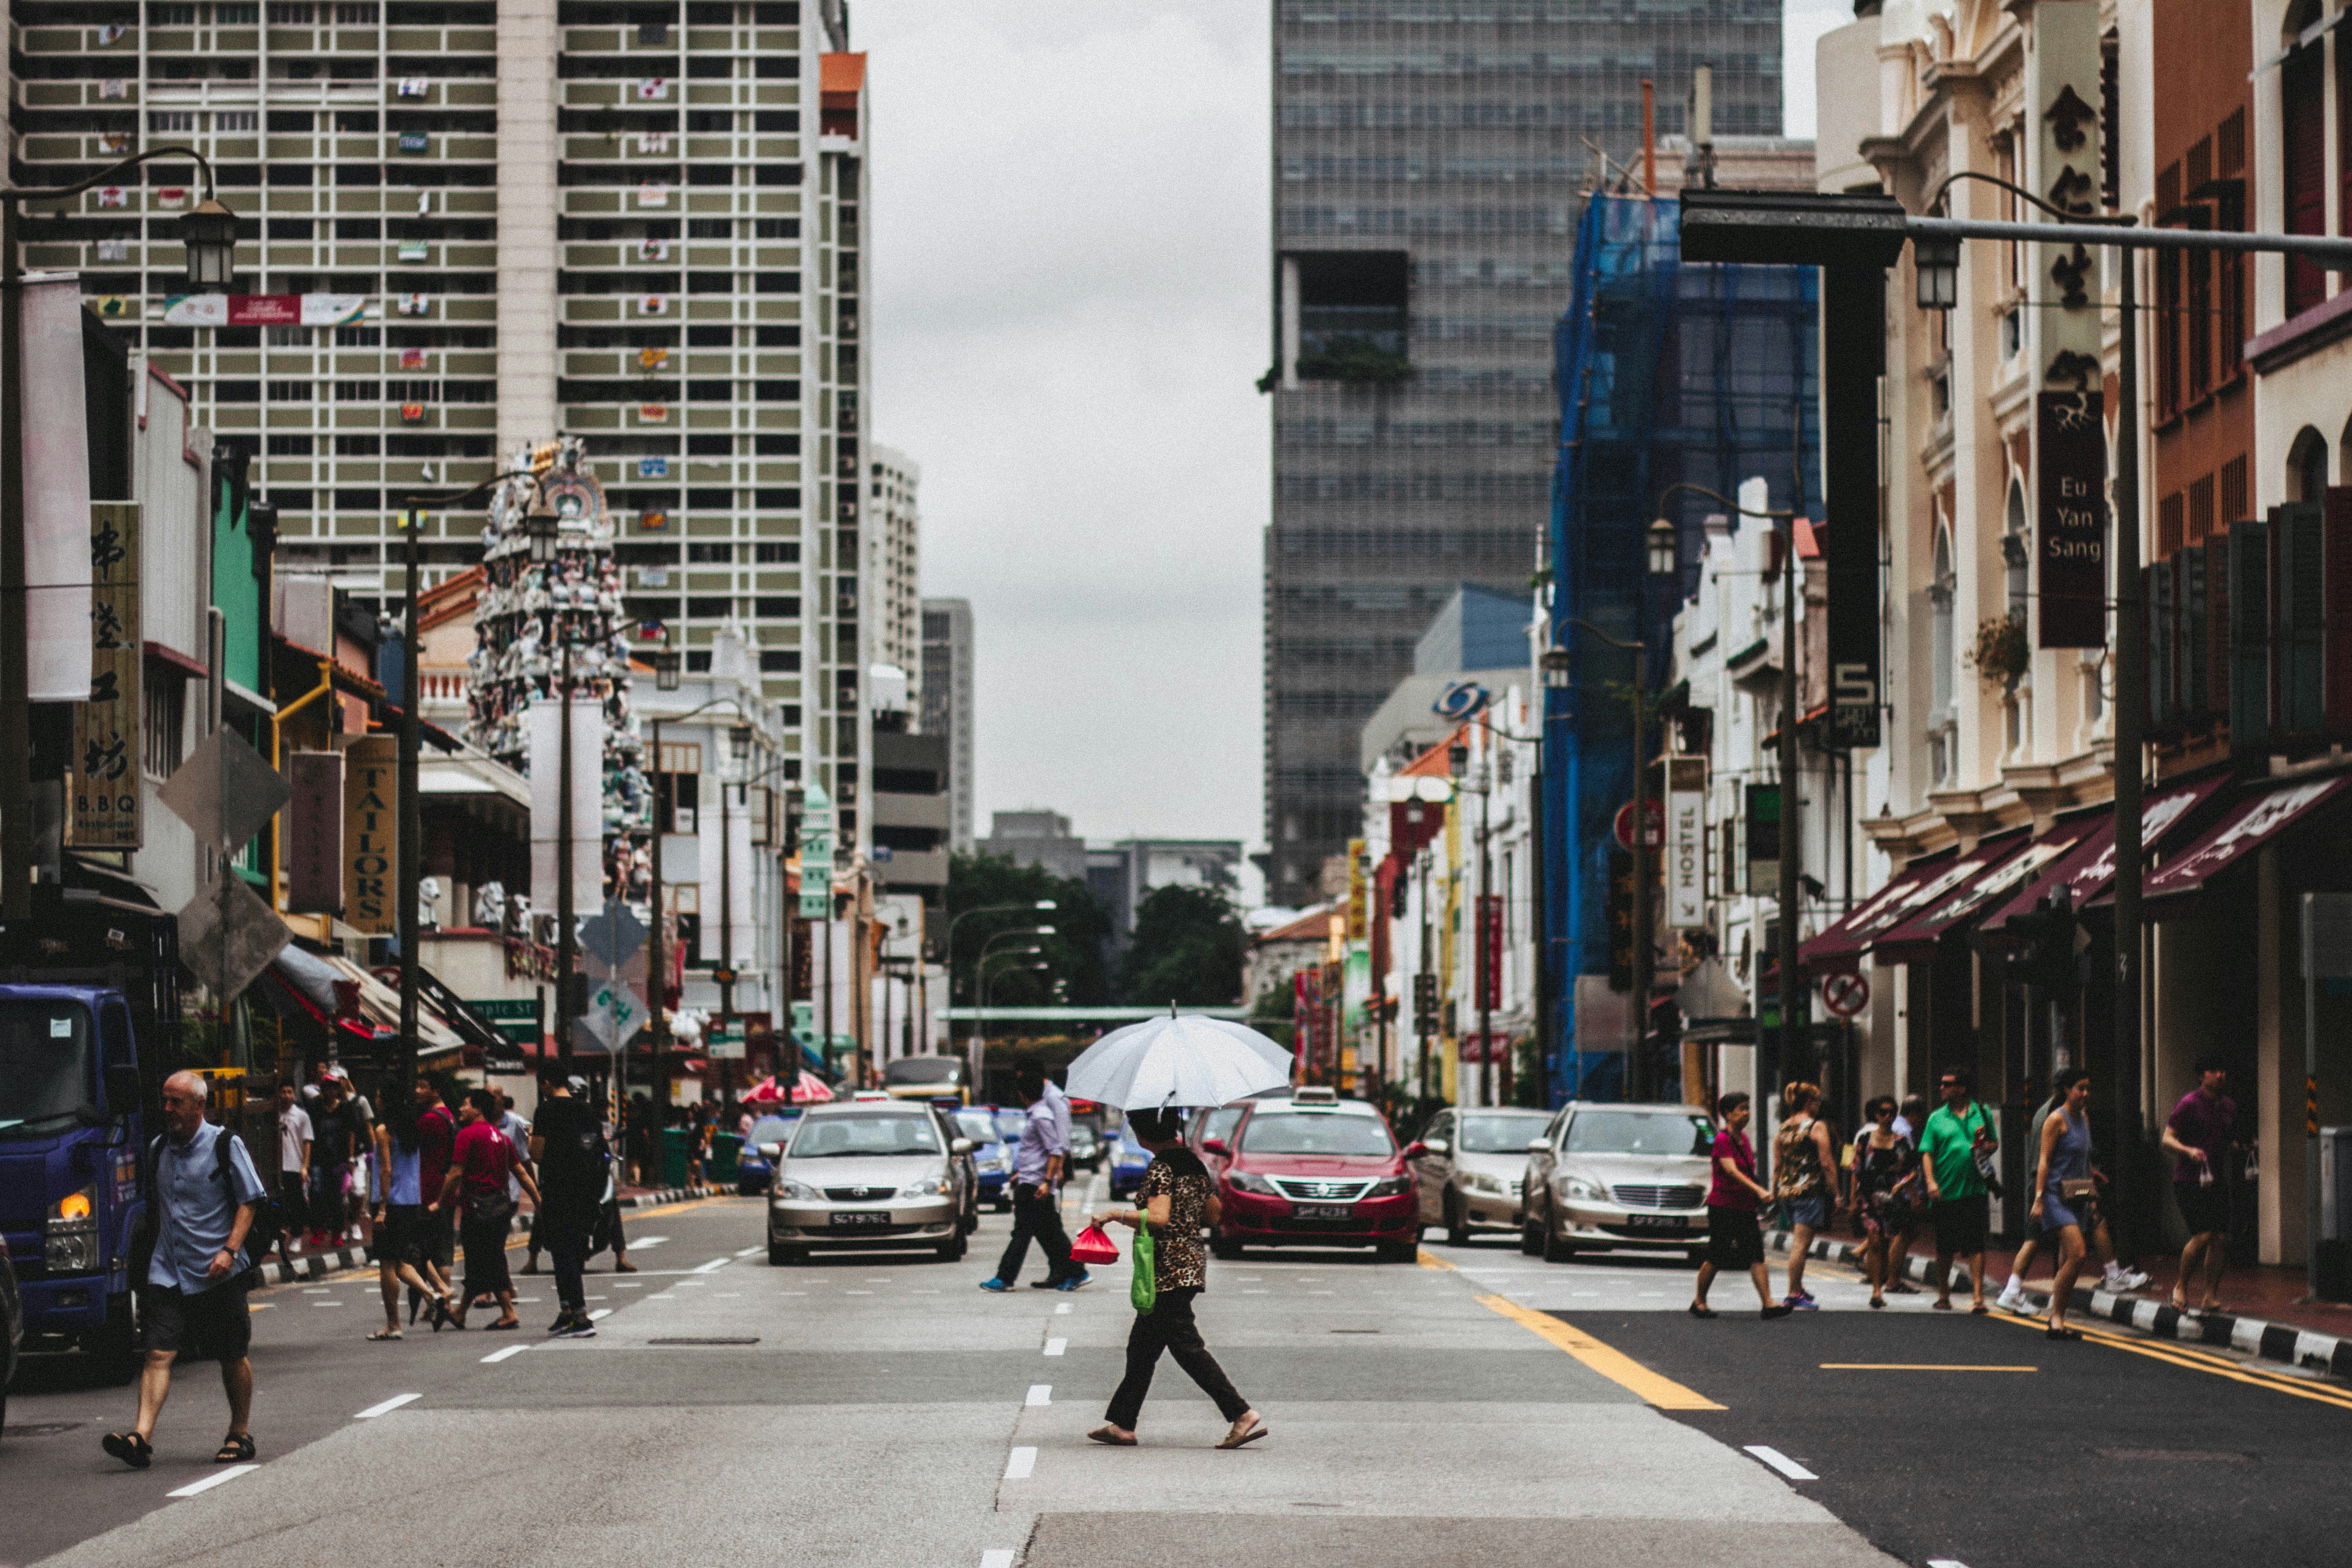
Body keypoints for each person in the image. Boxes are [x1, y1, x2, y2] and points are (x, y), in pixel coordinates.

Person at [103, 1072, 266, 1470]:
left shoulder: (226, 1144)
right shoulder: (160, 1148)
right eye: (165, 1100)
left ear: (199, 1106)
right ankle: (141, 1437)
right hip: (169, 1269)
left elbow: (250, 1200)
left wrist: (230, 1250)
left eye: (176, 1102)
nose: (168, 1109)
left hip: (217, 1271)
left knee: (231, 1354)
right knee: (158, 1352)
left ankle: (240, 1432)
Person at [1087, 1108, 1265, 1448]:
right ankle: (1122, 1423)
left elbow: (1157, 1217)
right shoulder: (1193, 1163)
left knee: (1186, 1347)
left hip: (1167, 1269)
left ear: (1143, 1134)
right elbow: (1213, 1215)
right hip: (1191, 1263)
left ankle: (1240, 1413)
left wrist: (1114, 1214)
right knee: (1142, 1347)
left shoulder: (1161, 1167)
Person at [433, 1088, 541, 1332]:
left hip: (477, 1208)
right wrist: (537, 1199)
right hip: (500, 1207)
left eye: (465, 1104)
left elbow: (456, 1173)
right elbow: (521, 1172)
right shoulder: (501, 1138)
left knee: (488, 1259)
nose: (461, 1109)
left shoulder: (467, 1135)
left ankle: (508, 1312)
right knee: (482, 1259)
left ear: (478, 1109)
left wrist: (440, 1201)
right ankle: (460, 1312)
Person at [980, 1064, 1085, 1293]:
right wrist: (1022, 1174)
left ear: (1022, 1094)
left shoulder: (1040, 1117)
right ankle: (1075, 1271)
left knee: (1024, 1232)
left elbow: (1056, 1148)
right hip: (1032, 1180)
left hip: (1036, 1185)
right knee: (1049, 1231)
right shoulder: (1039, 1114)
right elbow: (1038, 1152)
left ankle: (1005, 1278)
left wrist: (1048, 1181)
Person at [1689, 1091, 1793, 1320]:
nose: (1747, 1114)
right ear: (1728, 1114)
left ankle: (1768, 1303)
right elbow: (1731, 1171)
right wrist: (1759, 1191)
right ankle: (1699, 1301)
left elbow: (1747, 1170)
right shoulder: (1722, 1140)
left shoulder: (1744, 1139)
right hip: (1723, 1206)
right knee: (1717, 1255)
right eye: (1742, 1109)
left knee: (1756, 1255)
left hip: (1744, 1207)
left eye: (1748, 1109)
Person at [368, 1086, 455, 1339]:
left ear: (385, 1102)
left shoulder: (384, 1131)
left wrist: (382, 1208)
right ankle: (433, 1294)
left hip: (391, 1203)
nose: (376, 1100)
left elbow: (386, 1170)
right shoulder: (413, 1130)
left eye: (378, 1096)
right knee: (401, 1260)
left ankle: (394, 1325)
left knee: (387, 1265)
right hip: (411, 1202)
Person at [528, 1073, 605, 1337]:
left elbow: (536, 1153)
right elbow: (599, 1149)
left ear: (547, 1083)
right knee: (569, 1250)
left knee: (563, 1252)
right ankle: (568, 1312)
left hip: (558, 1189)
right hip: (585, 1191)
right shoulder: (587, 1110)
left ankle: (581, 1317)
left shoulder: (546, 1111)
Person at [2161, 1056, 2239, 1314]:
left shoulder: (2229, 1107)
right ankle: (2180, 1287)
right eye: (2214, 1070)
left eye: (2223, 1070)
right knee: (2202, 1235)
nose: (2220, 1075)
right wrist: (2188, 1151)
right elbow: (2167, 1139)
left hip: (2216, 1180)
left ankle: (2210, 1296)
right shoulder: (2189, 1104)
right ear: (2201, 1075)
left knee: (2219, 1238)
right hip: (2188, 1180)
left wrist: (2241, 1148)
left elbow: (2225, 1141)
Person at [1919, 1068, 1998, 1313]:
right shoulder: (1936, 1118)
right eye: (1941, 1084)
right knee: (1945, 1247)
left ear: (1962, 1089)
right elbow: (1927, 1153)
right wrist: (1931, 1182)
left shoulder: (1981, 1112)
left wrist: (1986, 1146)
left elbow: (1993, 1143)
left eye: (1947, 1084)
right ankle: (1944, 1294)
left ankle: (1978, 1297)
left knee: (1976, 1244)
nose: (1941, 1088)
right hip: (1945, 1191)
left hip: (1975, 1190)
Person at [2030, 1066, 2098, 1340]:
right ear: (2066, 1090)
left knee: (2066, 1258)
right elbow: (2044, 1161)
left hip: (2077, 1195)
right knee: (2079, 1254)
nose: (2085, 1094)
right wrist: (2038, 1199)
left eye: (2087, 1088)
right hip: (2055, 1197)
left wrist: (2092, 1192)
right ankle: (2055, 1318)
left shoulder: (2084, 1118)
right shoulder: (2056, 1120)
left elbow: (2085, 1159)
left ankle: (2059, 1316)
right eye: (2080, 1088)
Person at [1771, 1081, 1837, 1310]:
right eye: (1817, 1101)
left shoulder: (1783, 1128)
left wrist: (1774, 1191)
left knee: (1799, 1241)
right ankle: (1793, 1293)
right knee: (1801, 1245)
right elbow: (1827, 1163)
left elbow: (1778, 1165)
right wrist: (1836, 1192)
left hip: (1787, 1192)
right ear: (1809, 1102)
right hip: (1809, 1192)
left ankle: (1798, 1287)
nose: (1819, 1106)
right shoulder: (1815, 1127)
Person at [1851, 1096, 1920, 1310]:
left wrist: (1910, 1192)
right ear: (1875, 1115)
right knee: (1874, 1241)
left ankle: (1883, 1281)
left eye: (1892, 1112)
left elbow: (1912, 1170)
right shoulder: (1864, 1140)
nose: (1888, 1117)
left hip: (1892, 1198)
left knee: (1887, 1241)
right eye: (1883, 1112)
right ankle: (1876, 1291)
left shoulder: (1900, 1141)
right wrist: (1853, 1199)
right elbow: (1854, 1170)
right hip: (1869, 1197)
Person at [411, 1074, 458, 1322]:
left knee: (429, 1250)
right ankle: (440, 1303)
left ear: (436, 1091)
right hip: (443, 1189)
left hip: (429, 1190)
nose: (418, 1091)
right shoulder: (447, 1115)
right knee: (441, 1248)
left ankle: (442, 1298)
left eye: (423, 1086)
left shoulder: (430, 1119)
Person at [306, 1074, 366, 1251]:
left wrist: (351, 1158)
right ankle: (318, 1230)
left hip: (339, 1160)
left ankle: (337, 1233)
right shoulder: (316, 1107)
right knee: (317, 1195)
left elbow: (351, 1134)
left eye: (334, 1088)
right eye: (327, 1088)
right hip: (319, 1158)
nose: (331, 1091)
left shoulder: (346, 1108)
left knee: (337, 1198)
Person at [272, 1080, 311, 1265]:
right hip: (277, 1166)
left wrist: (305, 1166)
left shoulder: (301, 1116)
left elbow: (307, 1142)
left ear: (294, 1095)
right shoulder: (274, 1115)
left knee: (296, 1203)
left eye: (289, 1091)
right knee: (277, 1203)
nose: (286, 1095)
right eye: (283, 1092)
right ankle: (275, 1237)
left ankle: (297, 1236)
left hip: (294, 1165)